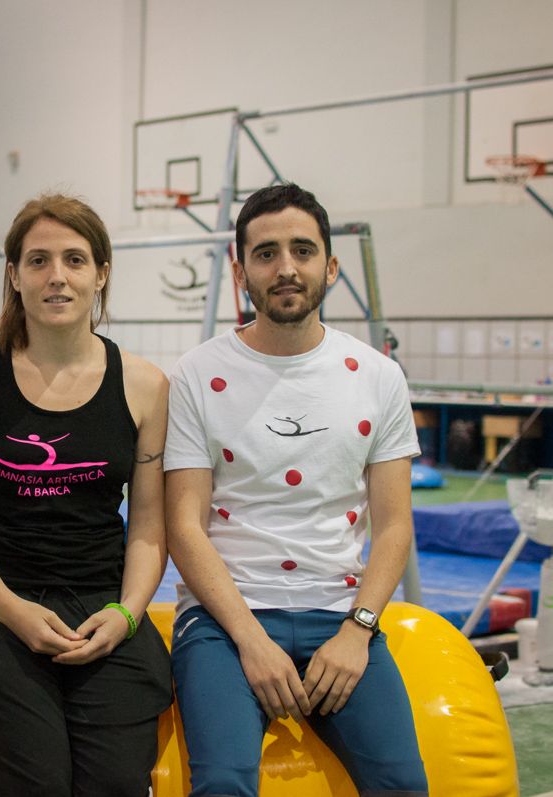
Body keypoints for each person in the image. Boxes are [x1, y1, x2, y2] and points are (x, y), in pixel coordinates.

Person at [163, 183, 428, 797]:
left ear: (330, 266)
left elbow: (394, 526)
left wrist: (358, 631)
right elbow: (184, 526)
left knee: (403, 784)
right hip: (223, 621)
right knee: (223, 782)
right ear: (241, 273)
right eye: (266, 253)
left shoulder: (379, 377)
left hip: (339, 613)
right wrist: (250, 641)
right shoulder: (198, 374)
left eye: (303, 251)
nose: (286, 267)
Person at [0, 193, 173, 797]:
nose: (56, 276)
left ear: (101, 274)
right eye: (38, 261)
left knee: (115, 784)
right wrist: (10, 609)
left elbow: (147, 525)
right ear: (14, 275)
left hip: (101, 608)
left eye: (74, 260)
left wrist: (127, 612)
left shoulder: (145, 386)